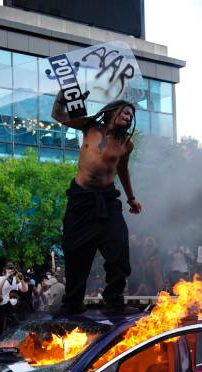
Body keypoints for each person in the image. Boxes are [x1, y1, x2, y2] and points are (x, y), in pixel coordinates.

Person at [51, 98, 142, 314]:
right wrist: (62, 96)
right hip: (81, 200)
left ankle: (114, 302)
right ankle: (72, 303)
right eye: (125, 112)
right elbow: (57, 115)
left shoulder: (126, 143)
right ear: (112, 111)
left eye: (131, 115)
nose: (128, 116)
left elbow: (123, 170)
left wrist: (130, 198)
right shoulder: (89, 126)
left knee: (119, 248)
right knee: (75, 252)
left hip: (108, 200)